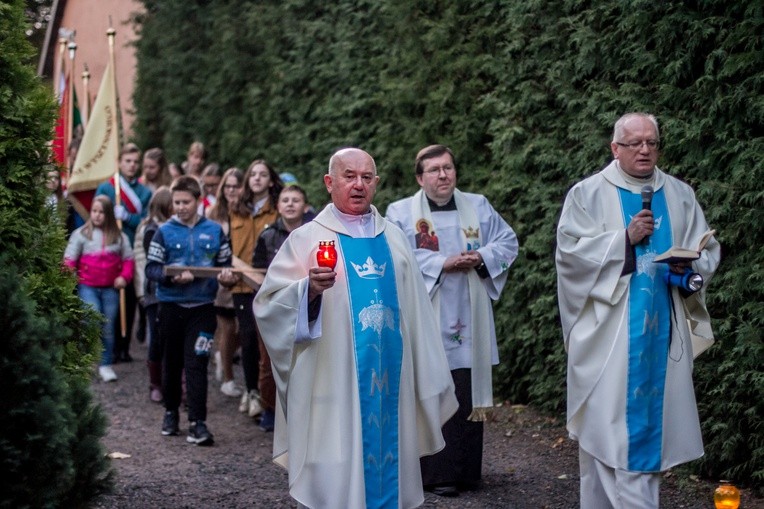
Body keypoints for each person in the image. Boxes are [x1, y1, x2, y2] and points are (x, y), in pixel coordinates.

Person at [254, 147, 458, 508]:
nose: (359, 184)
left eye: (367, 177)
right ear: (329, 182)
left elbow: (417, 313)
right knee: (338, 477)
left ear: (377, 183)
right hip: (335, 384)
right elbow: (269, 305)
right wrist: (308, 293)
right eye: (349, 176)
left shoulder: (394, 239)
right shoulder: (307, 239)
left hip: (391, 384)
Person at [555, 112, 721, 508]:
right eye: (635, 143)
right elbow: (569, 255)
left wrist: (689, 266)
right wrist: (623, 241)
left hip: (662, 335)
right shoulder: (588, 193)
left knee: (635, 442)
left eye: (652, 142)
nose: (645, 150)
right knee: (600, 436)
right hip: (608, 336)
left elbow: (707, 249)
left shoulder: (680, 194)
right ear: (615, 148)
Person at [386, 144, 519, 497]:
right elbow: (395, 256)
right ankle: (433, 472)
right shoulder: (399, 212)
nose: (443, 175)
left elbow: (508, 243)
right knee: (430, 387)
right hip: (426, 312)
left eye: (448, 168)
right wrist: (440, 264)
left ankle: (465, 471)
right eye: (434, 170)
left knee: (463, 389)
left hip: (468, 310)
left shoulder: (478, 205)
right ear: (420, 178)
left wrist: (480, 256)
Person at [146, 176, 237, 446]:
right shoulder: (163, 231)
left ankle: (198, 422)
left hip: (202, 307)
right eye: (176, 202)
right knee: (171, 362)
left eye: (186, 202)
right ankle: (171, 412)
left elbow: (225, 264)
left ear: (198, 201)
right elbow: (151, 269)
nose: (181, 207)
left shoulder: (215, 230)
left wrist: (227, 278)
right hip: (171, 305)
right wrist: (171, 278)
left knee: (197, 362)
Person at [251, 185, 311, 432]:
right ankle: (269, 408)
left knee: (304, 359)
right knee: (268, 360)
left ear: (304, 206)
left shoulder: (313, 233)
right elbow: (257, 271)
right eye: (285, 200)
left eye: (295, 200)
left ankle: (303, 411)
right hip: (274, 305)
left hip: (306, 302)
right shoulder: (267, 236)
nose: (290, 204)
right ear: (278, 206)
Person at [230, 159, 283, 419]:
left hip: (269, 284)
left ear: (271, 181)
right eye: (253, 174)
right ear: (248, 180)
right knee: (248, 337)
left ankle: (270, 396)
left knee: (268, 341)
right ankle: (251, 391)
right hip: (241, 284)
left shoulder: (277, 210)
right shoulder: (236, 210)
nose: (258, 179)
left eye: (263, 175)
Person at [64, 195, 134, 383]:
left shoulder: (119, 237)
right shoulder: (81, 234)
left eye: (101, 212)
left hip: (111, 288)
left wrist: (124, 277)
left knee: (109, 326)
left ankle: (105, 364)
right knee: (91, 317)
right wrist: (69, 274)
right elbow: (70, 258)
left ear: (109, 214)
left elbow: (128, 260)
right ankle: (84, 358)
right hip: (87, 285)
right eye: (94, 211)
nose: (97, 215)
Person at [95, 142, 152, 363]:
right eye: (127, 161)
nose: (131, 165)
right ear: (120, 162)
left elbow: (146, 221)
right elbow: (96, 215)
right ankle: (108, 347)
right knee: (111, 301)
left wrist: (128, 217)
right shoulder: (107, 188)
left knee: (129, 300)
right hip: (110, 250)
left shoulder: (144, 192)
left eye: (135, 162)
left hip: (132, 251)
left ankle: (124, 347)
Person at [205, 167, 244, 398]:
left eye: (235, 186)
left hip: (244, 276)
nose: (231, 191)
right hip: (221, 278)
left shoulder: (246, 213)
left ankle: (223, 354)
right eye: (227, 186)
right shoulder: (213, 213)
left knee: (244, 330)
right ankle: (228, 378)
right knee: (227, 328)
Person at [134, 186, 173, 403]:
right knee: (156, 339)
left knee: (171, 339)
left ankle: (173, 382)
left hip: (173, 292)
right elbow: (154, 261)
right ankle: (155, 383)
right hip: (154, 291)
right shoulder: (151, 230)